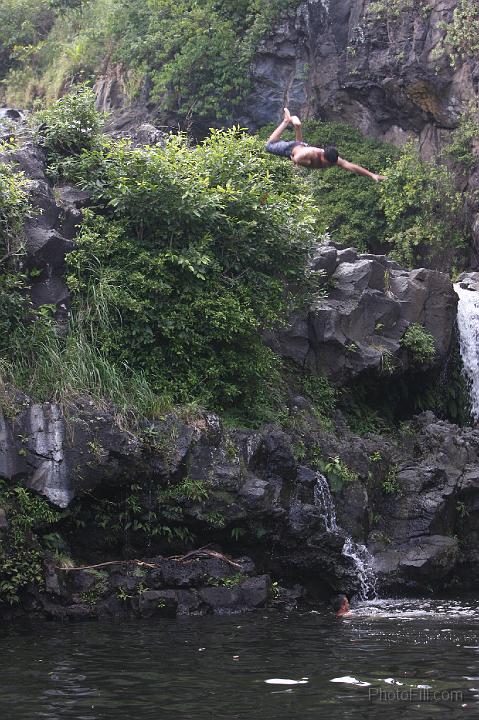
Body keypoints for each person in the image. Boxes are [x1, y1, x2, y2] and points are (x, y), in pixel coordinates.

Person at [265, 108, 387, 182]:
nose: (329, 165)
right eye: (328, 163)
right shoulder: (307, 155)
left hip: (302, 146)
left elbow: (351, 166)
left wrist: (372, 175)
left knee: (301, 146)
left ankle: (297, 125)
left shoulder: (333, 159)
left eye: (331, 164)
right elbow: (296, 157)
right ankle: (287, 121)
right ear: (322, 155)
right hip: (292, 150)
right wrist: (295, 164)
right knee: (269, 146)